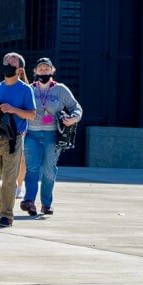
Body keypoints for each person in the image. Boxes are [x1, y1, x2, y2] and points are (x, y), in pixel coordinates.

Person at [22, 57, 83, 216]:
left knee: (49, 170)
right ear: (35, 71)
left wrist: (73, 118)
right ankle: (29, 201)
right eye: (40, 69)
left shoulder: (61, 89)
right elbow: (21, 109)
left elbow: (76, 107)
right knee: (32, 169)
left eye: (46, 69)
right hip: (32, 135)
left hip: (52, 135)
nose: (44, 71)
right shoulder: (29, 89)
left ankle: (46, 204)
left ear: (52, 71)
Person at [0, 52, 36, 227]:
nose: (7, 65)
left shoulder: (25, 90)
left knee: (8, 179)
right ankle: (3, 207)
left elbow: (32, 114)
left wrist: (12, 109)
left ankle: (6, 214)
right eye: (5, 62)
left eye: (11, 64)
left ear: (19, 70)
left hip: (14, 139)